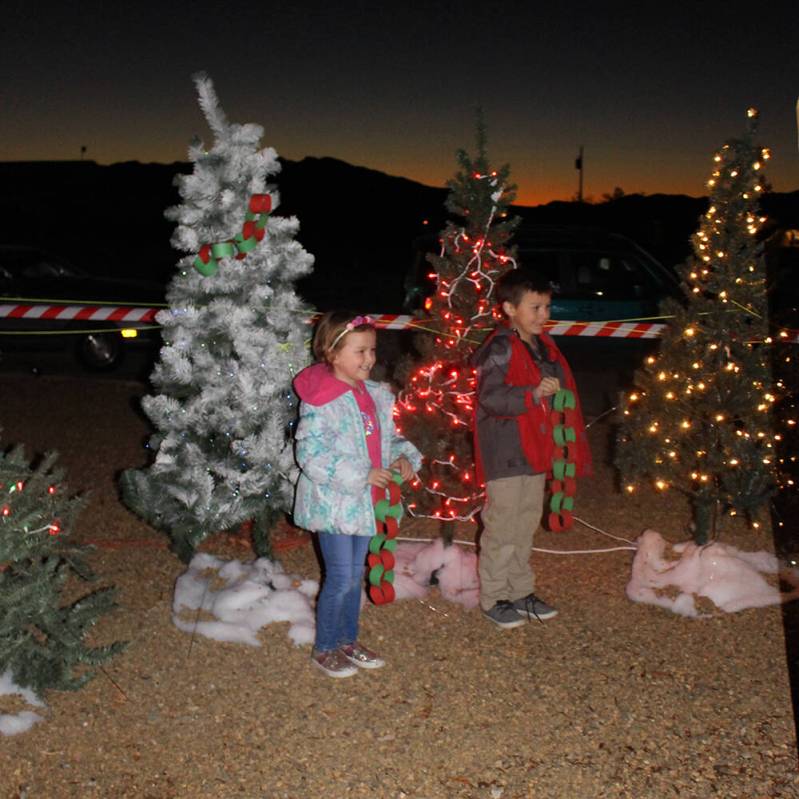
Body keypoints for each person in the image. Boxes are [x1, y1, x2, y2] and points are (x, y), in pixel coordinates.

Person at [293, 311, 422, 677]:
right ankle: (325, 647)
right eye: (360, 351)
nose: (369, 359)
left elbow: (387, 440)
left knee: (356, 575)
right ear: (333, 354)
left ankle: (348, 640)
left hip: (367, 504)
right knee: (342, 576)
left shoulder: (373, 396)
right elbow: (312, 456)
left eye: (372, 350)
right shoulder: (321, 401)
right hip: (334, 504)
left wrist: (402, 458)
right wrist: (362, 475)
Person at [472, 268, 592, 628]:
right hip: (506, 450)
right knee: (501, 525)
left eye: (546, 307)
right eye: (536, 307)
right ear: (509, 309)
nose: (544, 315)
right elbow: (490, 398)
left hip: (535, 448)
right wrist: (531, 395)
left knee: (525, 524)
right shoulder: (500, 348)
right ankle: (494, 596)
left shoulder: (545, 348)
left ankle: (520, 590)